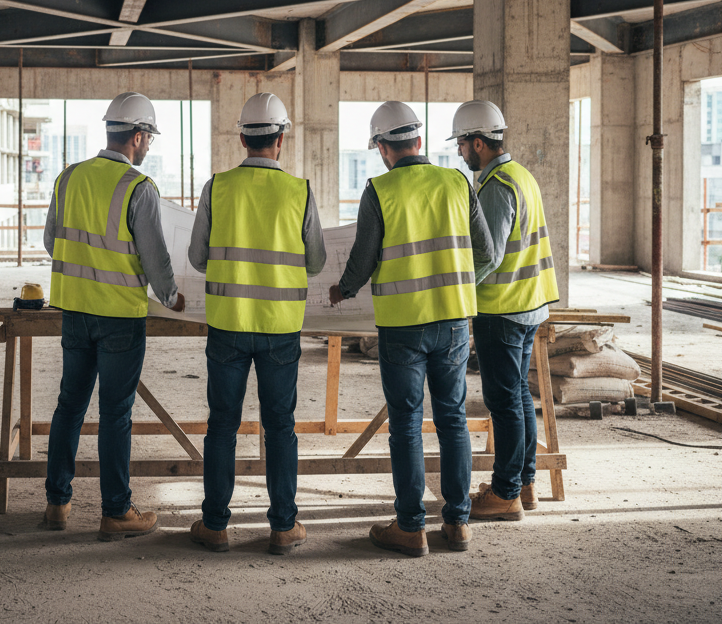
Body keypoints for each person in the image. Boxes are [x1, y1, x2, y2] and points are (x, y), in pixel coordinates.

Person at [329, 101, 494, 555]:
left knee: (406, 423)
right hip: (454, 321)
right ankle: (458, 523)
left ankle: (410, 527)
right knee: (452, 419)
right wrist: (462, 287)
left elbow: (363, 259)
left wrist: (342, 289)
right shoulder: (457, 182)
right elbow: (487, 252)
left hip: (403, 326)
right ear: (418, 141)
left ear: (382, 148)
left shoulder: (379, 190)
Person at [186, 93, 326, 556]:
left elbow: (197, 257)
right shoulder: (300, 191)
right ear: (281, 138)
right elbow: (316, 262)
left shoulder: (217, 188)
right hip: (280, 328)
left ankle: (215, 526)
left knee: (222, 425)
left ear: (243, 139)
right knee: (280, 426)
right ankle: (283, 527)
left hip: (228, 324)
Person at [42, 92, 186, 541]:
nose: (149, 146)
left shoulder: (69, 177)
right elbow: (155, 258)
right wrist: (171, 297)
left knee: (69, 404)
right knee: (115, 413)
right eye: (149, 138)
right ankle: (116, 511)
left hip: (74, 309)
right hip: (120, 316)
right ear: (137, 136)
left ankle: (57, 503)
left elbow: (51, 241)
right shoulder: (138, 187)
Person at [450, 100, 559, 522]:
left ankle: (505, 493)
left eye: (462, 144)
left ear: (478, 142)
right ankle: (524, 484)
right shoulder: (521, 175)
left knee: (504, 402)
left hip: (503, 309)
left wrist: (457, 292)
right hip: (529, 303)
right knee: (518, 397)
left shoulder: (497, 186)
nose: (460, 151)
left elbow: (489, 255)